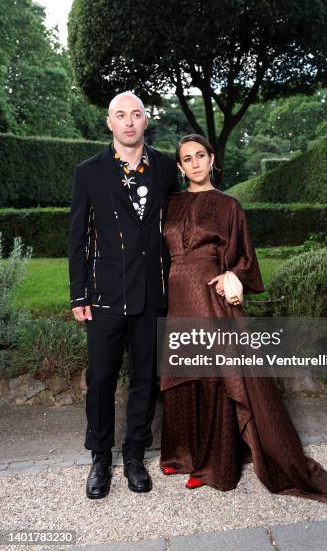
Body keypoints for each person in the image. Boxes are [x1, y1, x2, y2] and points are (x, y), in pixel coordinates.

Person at [159, 134, 327, 512]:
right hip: (179, 302)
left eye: (201, 155)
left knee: (216, 378)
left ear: (212, 159)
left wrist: (231, 276)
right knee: (184, 373)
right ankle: (183, 453)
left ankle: (216, 464)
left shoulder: (229, 206)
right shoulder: (171, 205)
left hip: (211, 301)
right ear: (180, 167)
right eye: (187, 158)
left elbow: (245, 258)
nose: (195, 163)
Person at [69, 91, 178, 499]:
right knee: (100, 379)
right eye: (121, 115)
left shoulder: (166, 168)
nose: (129, 122)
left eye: (136, 114)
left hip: (152, 294)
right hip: (104, 294)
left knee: (146, 380)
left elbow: (177, 227)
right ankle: (100, 456)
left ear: (145, 121)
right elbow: (77, 237)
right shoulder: (90, 172)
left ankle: (134, 454)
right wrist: (78, 294)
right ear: (110, 123)